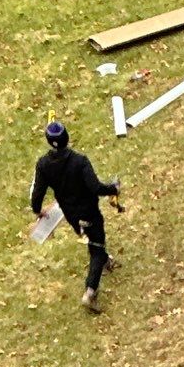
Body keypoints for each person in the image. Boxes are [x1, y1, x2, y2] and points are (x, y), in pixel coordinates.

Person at [31, 121, 121, 312]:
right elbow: (96, 188)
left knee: (90, 236)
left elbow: (37, 193)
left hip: (71, 215)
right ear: (67, 137)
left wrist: (38, 210)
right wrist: (114, 188)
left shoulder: (43, 165)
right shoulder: (79, 161)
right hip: (88, 211)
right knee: (97, 246)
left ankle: (106, 260)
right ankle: (90, 290)